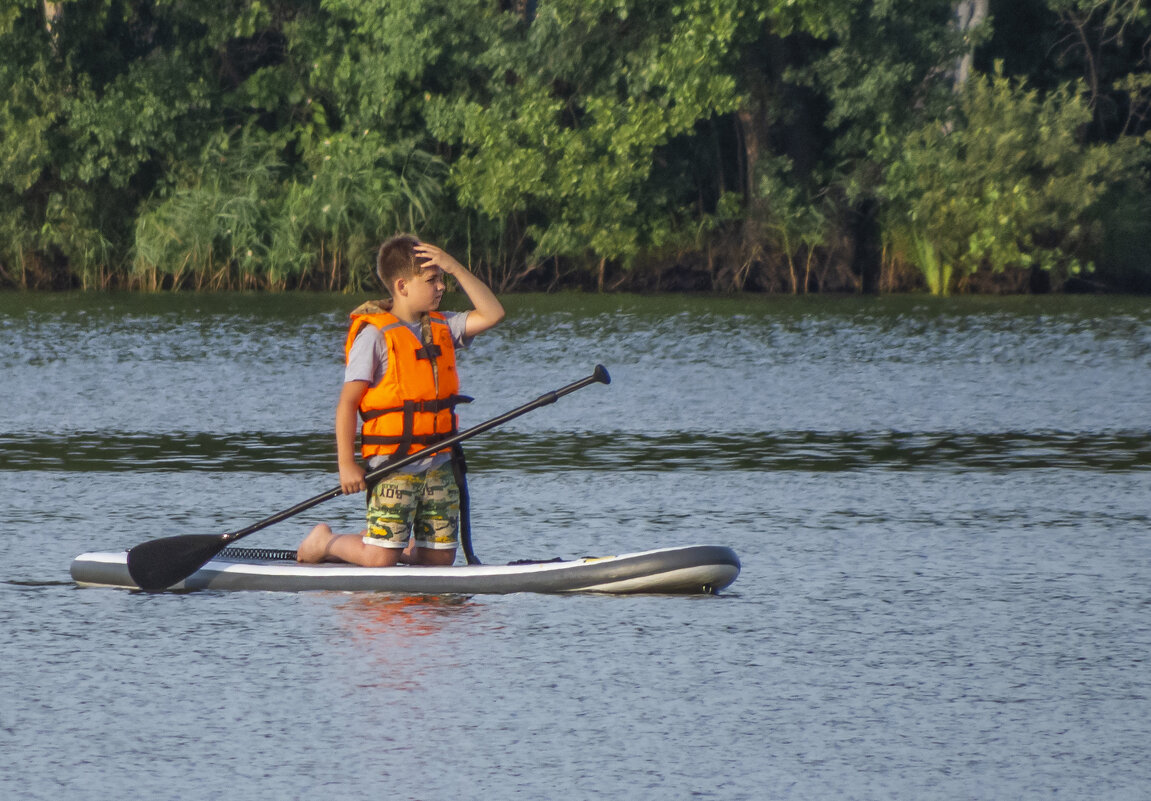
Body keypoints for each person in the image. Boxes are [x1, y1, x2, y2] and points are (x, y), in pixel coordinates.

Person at [297, 235, 505, 566]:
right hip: (393, 464)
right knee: (380, 559)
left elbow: (493, 313)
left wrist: (454, 265)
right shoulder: (374, 336)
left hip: (439, 460)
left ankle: (397, 548)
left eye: (442, 279)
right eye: (432, 280)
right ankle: (326, 541)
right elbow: (347, 404)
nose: (441, 287)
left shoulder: (444, 326)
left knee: (438, 561)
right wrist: (346, 464)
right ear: (402, 286)